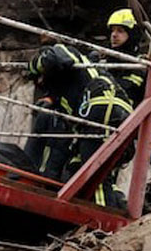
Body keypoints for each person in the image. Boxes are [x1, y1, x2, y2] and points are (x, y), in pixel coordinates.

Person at [26, 43, 134, 208]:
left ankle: (101, 224)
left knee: (94, 173)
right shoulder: (65, 96)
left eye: (40, 78)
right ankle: (116, 206)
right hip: (107, 110)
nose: (41, 83)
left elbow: (60, 57)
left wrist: (34, 64)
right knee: (78, 167)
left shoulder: (66, 51)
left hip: (102, 103)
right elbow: (63, 145)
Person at [105, 8, 151, 165]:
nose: (114, 35)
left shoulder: (142, 70)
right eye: (112, 31)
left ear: (133, 35)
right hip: (89, 133)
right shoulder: (99, 64)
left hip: (117, 138)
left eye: (120, 31)